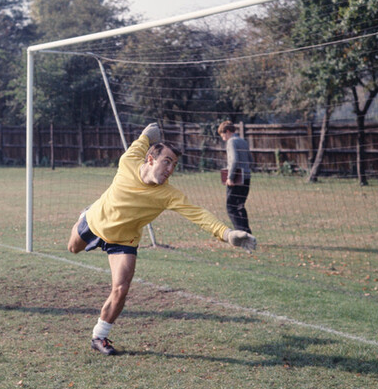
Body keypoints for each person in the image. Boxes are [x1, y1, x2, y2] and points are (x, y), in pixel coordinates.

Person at [67, 123, 256, 355]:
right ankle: (83, 214)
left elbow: (199, 215)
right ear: (150, 160)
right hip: (95, 222)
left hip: (124, 241)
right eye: (166, 161)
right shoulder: (129, 160)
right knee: (72, 249)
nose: (170, 169)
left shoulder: (168, 195)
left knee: (121, 288)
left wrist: (227, 234)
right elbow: (143, 139)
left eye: (174, 165)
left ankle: (99, 336)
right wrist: (149, 132)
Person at [218, 120, 252, 234]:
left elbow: (234, 160)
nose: (223, 138)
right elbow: (250, 159)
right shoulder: (243, 141)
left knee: (231, 207)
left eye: (222, 135)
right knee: (240, 206)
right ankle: (247, 233)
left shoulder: (231, 142)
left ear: (227, 131)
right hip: (246, 178)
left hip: (236, 180)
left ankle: (241, 234)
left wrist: (230, 177)